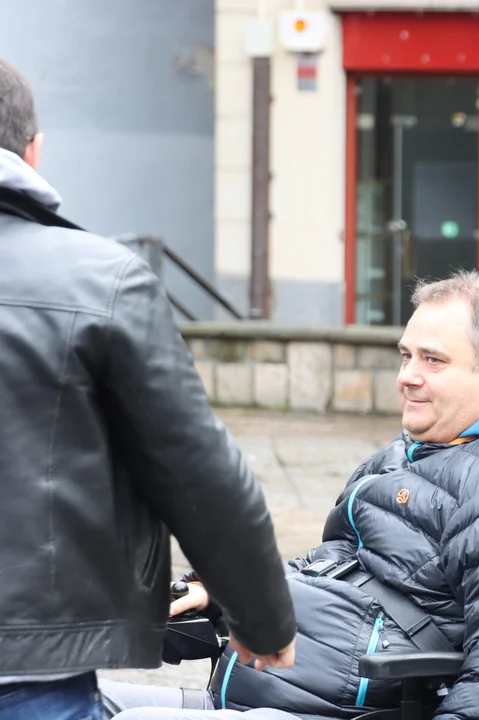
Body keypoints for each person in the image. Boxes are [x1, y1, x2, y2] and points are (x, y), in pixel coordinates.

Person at [102, 271, 479, 720]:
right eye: (405, 356)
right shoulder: (406, 454)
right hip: (262, 692)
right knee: (74, 699)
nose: (407, 375)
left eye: (432, 360)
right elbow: (328, 566)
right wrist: (224, 595)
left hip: (328, 709)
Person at [0, 58, 297, 718]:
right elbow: (197, 472)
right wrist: (262, 620)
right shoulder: (104, 285)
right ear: (34, 151)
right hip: (30, 675)